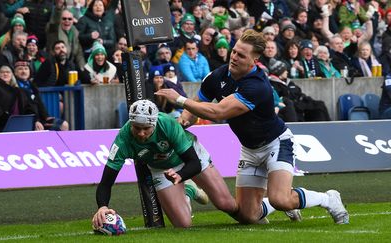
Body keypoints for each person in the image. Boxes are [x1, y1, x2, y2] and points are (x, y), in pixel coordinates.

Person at [155, 29, 349, 225]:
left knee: (280, 199)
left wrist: (179, 99)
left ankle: (328, 198)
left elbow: (219, 112)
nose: (234, 57)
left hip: (276, 143)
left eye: (241, 55)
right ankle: (283, 204)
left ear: (254, 60)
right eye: (234, 52)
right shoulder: (218, 76)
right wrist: (182, 122)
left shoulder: (257, 86)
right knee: (248, 216)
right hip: (249, 150)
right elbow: (196, 106)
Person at [92, 100, 235, 228]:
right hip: (161, 168)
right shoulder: (122, 141)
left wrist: (181, 175)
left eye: (146, 128)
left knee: (226, 204)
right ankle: (189, 191)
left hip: (190, 158)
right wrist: (102, 207)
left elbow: (194, 163)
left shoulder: (167, 124)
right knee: (183, 224)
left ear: (154, 124)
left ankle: (188, 183)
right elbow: (106, 182)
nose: (141, 133)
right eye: (137, 128)